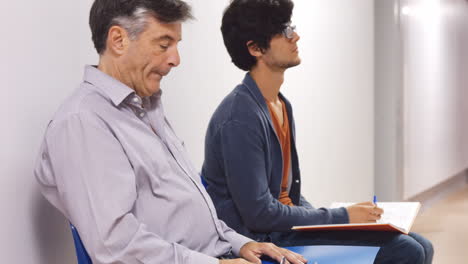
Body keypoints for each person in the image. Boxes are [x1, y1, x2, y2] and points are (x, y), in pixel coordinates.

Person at [33, 1, 308, 263]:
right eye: (163, 45)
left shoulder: (147, 109)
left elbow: (195, 216)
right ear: (118, 40)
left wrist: (240, 243)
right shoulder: (83, 122)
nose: (175, 59)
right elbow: (114, 246)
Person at [201, 0, 434, 263]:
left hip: (280, 228)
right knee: (406, 250)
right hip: (261, 239)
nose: (295, 36)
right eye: (284, 31)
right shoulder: (239, 117)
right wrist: (342, 217)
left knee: (422, 244)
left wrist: (337, 221)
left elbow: (288, 194)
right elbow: (260, 214)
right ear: (255, 48)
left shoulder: (279, 104)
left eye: (292, 28)